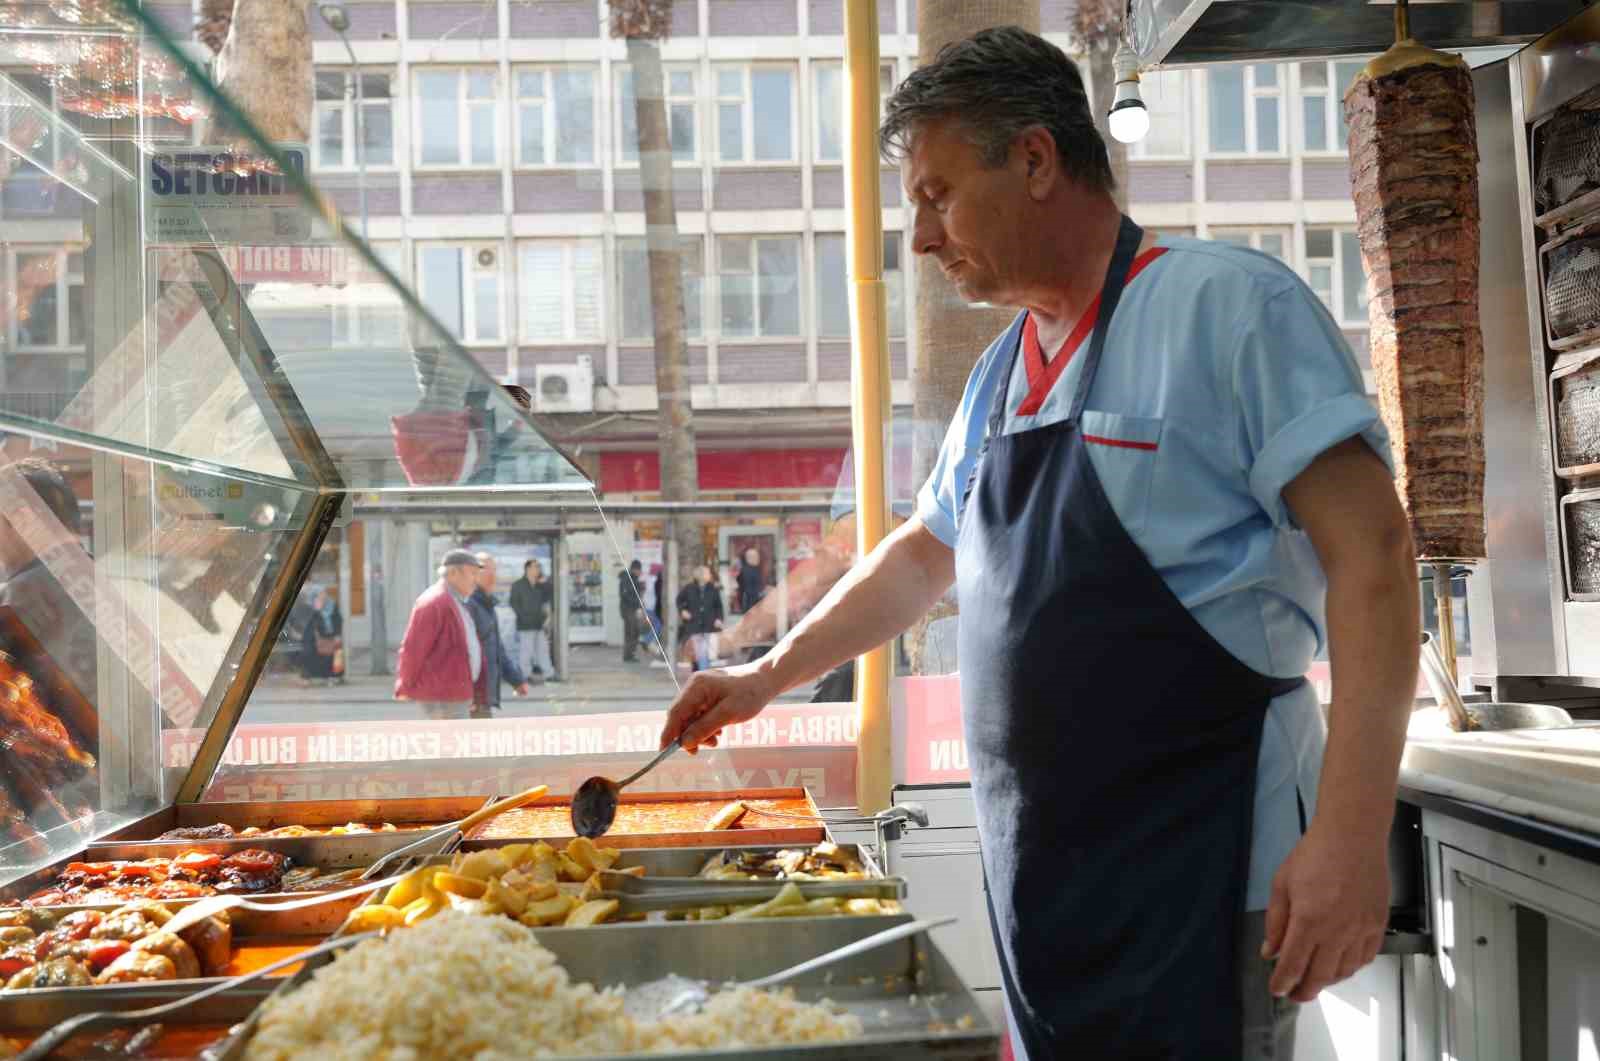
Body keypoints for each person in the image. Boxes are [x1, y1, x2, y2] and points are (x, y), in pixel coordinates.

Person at [660, 27, 1418, 1061]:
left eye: (936, 196)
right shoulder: (1000, 373)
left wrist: (1350, 835)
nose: (921, 239)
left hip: (1207, 862)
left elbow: (1375, 557)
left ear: (1033, 159)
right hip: (1049, 879)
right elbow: (919, 558)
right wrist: (764, 676)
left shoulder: (1228, 307)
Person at [394, 549, 485, 720]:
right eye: (472, 573)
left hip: (454, 694)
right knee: (448, 737)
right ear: (453, 573)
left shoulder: (455, 600)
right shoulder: (434, 602)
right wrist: (405, 685)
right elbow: (413, 649)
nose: (476, 580)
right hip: (442, 698)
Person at [468, 553, 528, 718]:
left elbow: (497, 650)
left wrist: (516, 680)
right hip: (473, 697)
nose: (493, 576)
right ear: (474, 574)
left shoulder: (487, 605)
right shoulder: (469, 605)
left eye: (494, 571)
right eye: (488, 571)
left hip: (483, 697)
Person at [510, 558, 556, 682]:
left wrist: (545, 582)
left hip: (538, 623)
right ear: (528, 569)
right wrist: (523, 616)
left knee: (543, 649)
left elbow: (549, 594)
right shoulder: (518, 585)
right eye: (536, 567)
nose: (538, 569)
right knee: (526, 651)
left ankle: (548, 674)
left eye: (539, 567)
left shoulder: (540, 585)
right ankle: (525, 675)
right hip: (525, 624)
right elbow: (514, 603)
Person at [674, 565, 724, 673]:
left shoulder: (713, 589)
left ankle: (701, 673)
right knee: (700, 652)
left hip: (709, 625)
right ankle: (702, 673)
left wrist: (719, 619)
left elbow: (718, 606)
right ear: (701, 575)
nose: (710, 575)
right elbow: (679, 600)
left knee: (705, 652)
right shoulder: (689, 588)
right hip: (694, 625)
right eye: (708, 573)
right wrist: (683, 611)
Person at [297, 586, 343, 686]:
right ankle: (306, 678)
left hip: (330, 636)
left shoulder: (332, 605)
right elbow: (307, 625)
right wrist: (316, 610)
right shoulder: (309, 607)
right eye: (320, 595)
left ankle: (333, 677)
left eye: (324, 594)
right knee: (308, 652)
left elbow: (338, 620)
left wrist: (337, 634)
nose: (323, 596)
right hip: (313, 637)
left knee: (335, 652)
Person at [619, 560, 646, 663]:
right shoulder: (626, 579)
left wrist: (641, 587)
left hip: (633, 609)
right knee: (631, 631)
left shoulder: (634, 578)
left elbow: (635, 592)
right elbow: (625, 594)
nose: (640, 573)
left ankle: (630, 654)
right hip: (628, 609)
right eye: (639, 570)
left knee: (634, 631)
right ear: (634, 569)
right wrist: (636, 602)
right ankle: (628, 655)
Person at [735, 547, 767, 614]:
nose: (758, 558)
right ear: (749, 558)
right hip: (751, 606)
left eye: (758, 556)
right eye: (756, 557)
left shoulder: (754, 569)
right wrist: (761, 594)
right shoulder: (747, 571)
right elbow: (749, 591)